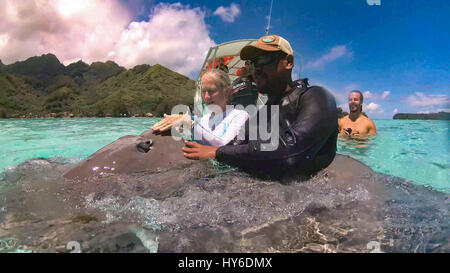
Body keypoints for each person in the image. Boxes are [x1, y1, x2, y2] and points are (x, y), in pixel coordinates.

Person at [182, 35, 338, 177]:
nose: (256, 68)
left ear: (288, 62)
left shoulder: (316, 97)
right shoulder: (261, 114)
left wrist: (217, 152)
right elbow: (234, 146)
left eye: (264, 59)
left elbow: (292, 150)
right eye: (253, 63)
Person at [152, 69, 248, 147]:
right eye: (203, 91)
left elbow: (225, 147)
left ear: (227, 92)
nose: (206, 97)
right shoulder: (204, 119)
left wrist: (192, 125)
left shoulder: (240, 116)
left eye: (211, 91)